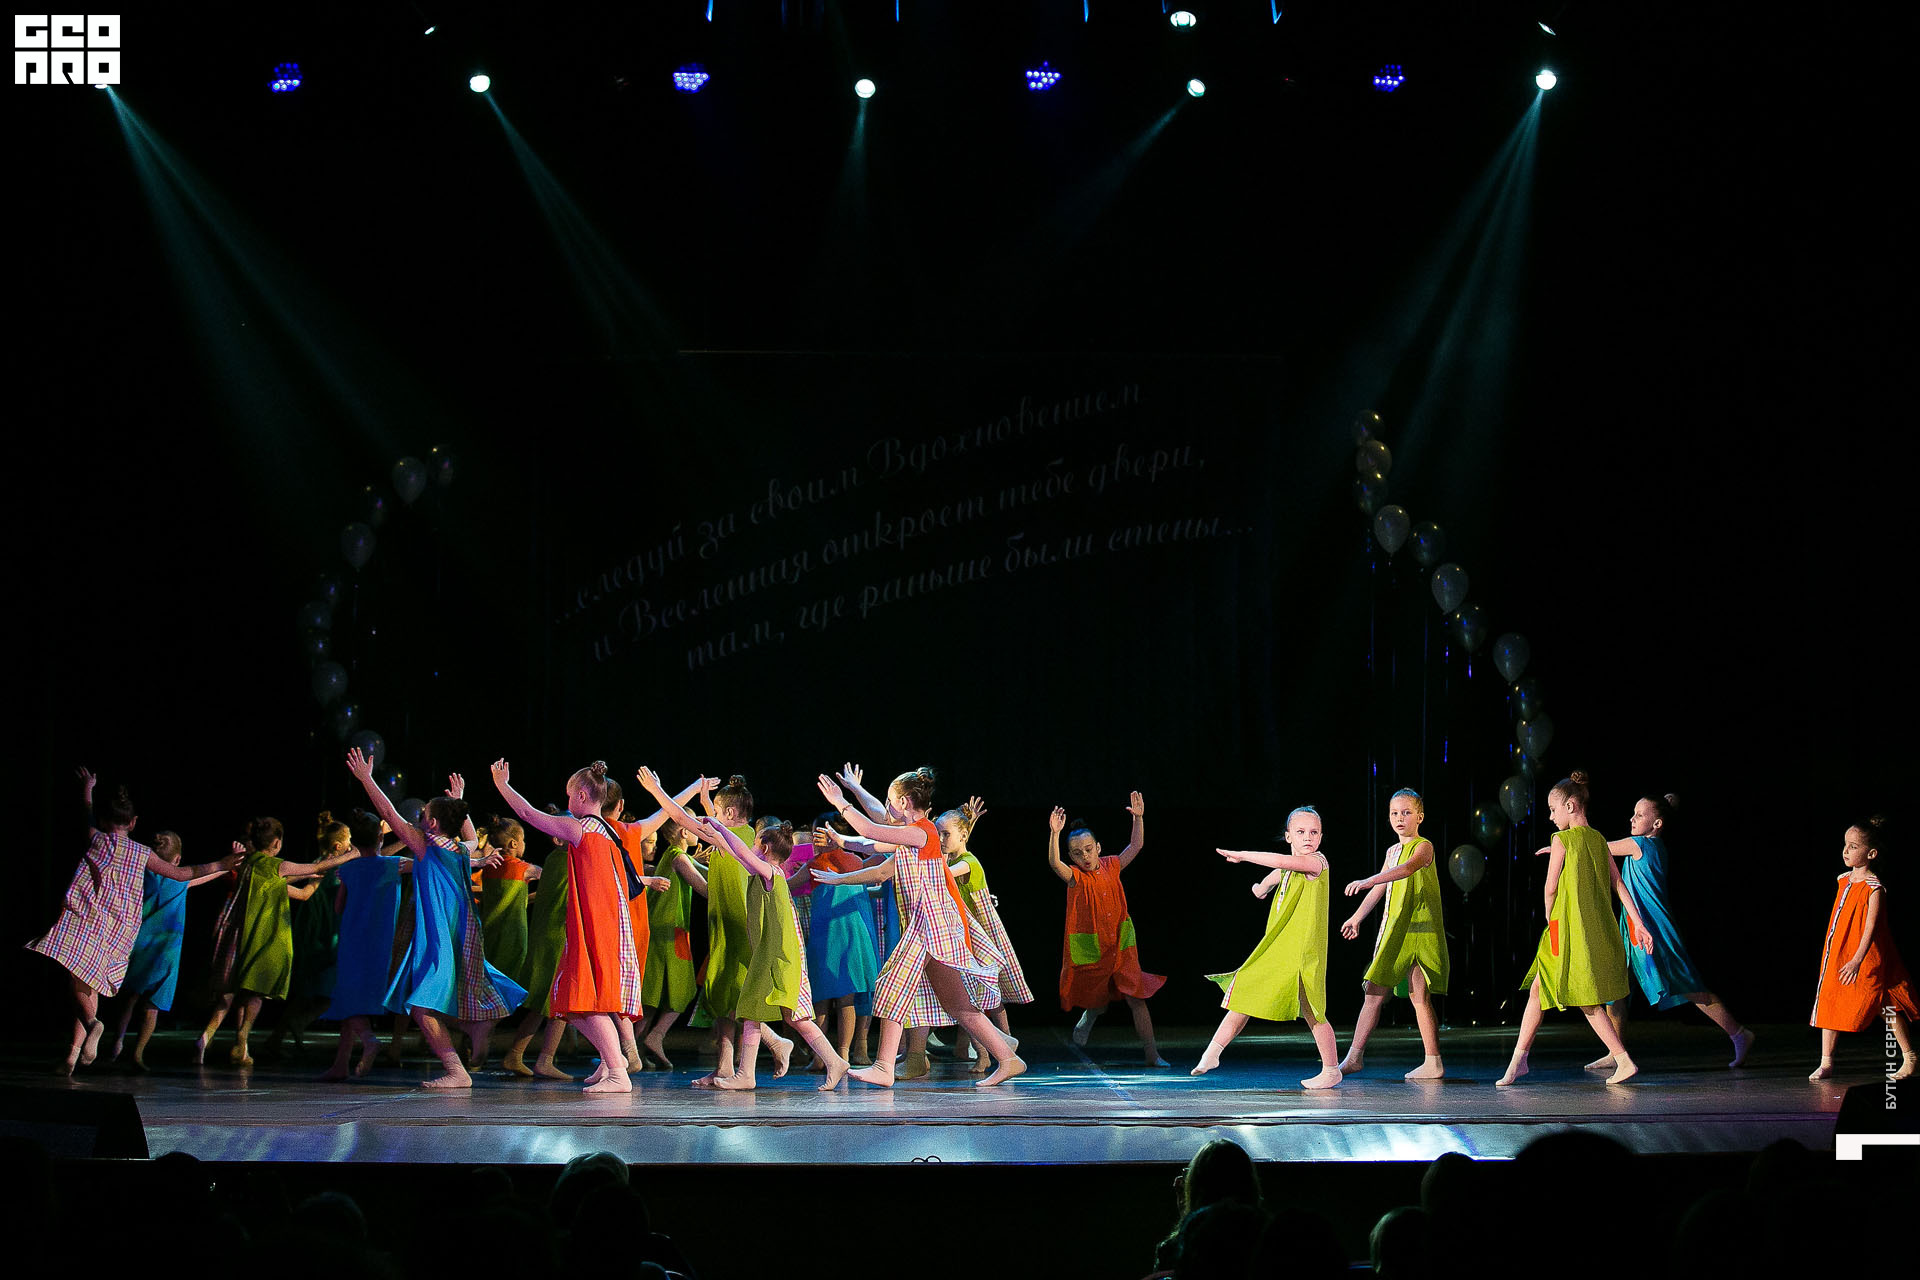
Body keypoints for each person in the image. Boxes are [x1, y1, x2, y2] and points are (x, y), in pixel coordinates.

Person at [811, 766, 1025, 1087]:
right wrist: (842, 847)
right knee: (957, 1004)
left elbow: (871, 829)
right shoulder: (910, 836)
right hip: (929, 924)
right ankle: (1008, 1059)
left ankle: (883, 1066)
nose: (886, 806)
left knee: (890, 985)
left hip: (930, 923)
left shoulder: (923, 832)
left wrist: (841, 801)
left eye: (890, 800)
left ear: (904, 802)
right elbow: (873, 848)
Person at [492, 758, 667, 1093]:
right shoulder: (609, 833)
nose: (568, 801)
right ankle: (612, 1063)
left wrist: (502, 785)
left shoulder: (581, 828)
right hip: (607, 923)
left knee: (585, 999)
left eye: (570, 794)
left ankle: (617, 1071)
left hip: (597, 925)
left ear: (583, 796)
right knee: (573, 1001)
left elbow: (528, 814)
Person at [350, 756, 523, 1089]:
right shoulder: (458, 849)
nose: (418, 819)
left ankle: (457, 1070)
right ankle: (472, 1026)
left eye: (423, 814)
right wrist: (460, 803)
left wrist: (366, 779)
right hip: (461, 934)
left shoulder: (426, 846)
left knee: (420, 1007)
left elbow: (389, 814)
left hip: (441, 937)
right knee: (436, 1000)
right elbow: (472, 839)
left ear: (431, 824)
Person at [1497, 771, 1653, 1086]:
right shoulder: (1598, 840)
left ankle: (1623, 1059)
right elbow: (1618, 885)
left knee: (1584, 998)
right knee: (1540, 989)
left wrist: (1548, 916)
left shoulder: (1562, 840)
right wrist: (1638, 923)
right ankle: (1518, 1061)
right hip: (1591, 930)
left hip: (1564, 929)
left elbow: (1550, 888)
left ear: (1570, 806)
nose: (1551, 816)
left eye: (1553, 809)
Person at [1579, 793, 1753, 1070]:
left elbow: (1598, 847)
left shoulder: (1641, 845)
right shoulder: (1648, 845)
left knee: (1688, 985)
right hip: (1632, 927)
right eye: (1633, 813)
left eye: (1640, 815)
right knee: (1616, 987)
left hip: (1655, 929)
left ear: (1657, 823)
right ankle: (1616, 1051)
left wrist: (1568, 836)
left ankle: (1739, 1033)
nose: (1632, 818)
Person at [685, 815, 849, 1089]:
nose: (750, 848)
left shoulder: (772, 873)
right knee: (752, 1008)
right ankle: (746, 1074)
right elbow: (736, 852)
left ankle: (833, 1060)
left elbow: (740, 852)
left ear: (764, 847)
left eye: (754, 844)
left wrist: (721, 827)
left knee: (794, 1015)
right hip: (768, 953)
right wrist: (718, 834)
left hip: (781, 956)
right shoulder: (762, 873)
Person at [1194, 805, 1341, 1087]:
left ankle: (1332, 1069)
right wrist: (1260, 889)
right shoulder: (1287, 870)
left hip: (1302, 951)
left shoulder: (1317, 863)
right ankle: (1212, 1053)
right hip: (1280, 949)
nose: (1308, 837)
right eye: (1301, 832)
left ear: (1321, 837)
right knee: (1246, 992)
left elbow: (1280, 862)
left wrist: (1243, 855)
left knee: (1312, 1008)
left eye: (1314, 832)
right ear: (1288, 836)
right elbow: (1270, 880)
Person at [199, 814, 358, 1066]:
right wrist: (352, 855)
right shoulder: (278, 866)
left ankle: (214, 1038)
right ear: (276, 843)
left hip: (241, 935)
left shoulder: (249, 864)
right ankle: (243, 1038)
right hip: (266, 936)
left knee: (234, 992)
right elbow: (308, 876)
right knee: (257, 992)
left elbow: (284, 881)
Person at [1336, 789, 1448, 1080]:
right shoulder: (1391, 851)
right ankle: (1354, 1058)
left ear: (1419, 817)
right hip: (1396, 931)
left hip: (1419, 932)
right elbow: (1380, 889)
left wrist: (1369, 878)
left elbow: (1407, 869)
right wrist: (1357, 917)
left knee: (1418, 994)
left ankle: (1433, 1061)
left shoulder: (1424, 846)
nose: (1400, 818)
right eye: (1394, 813)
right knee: (1373, 991)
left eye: (1406, 812)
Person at [1049, 794, 1168, 1066]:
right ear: (1071, 856)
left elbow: (1136, 845)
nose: (1085, 856)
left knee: (1136, 997)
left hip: (1121, 943)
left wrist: (1138, 818)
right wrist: (1055, 834)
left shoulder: (1112, 865)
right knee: (1098, 996)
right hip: (1094, 947)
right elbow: (1055, 863)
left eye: (1089, 849)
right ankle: (1090, 1015)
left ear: (1098, 848)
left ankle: (1152, 1054)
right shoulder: (1075, 877)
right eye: (1077, 853)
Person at [107, 830, 233, 1069]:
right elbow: (205, 875)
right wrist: (227, 865)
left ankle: (118, 1042)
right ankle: (138, 1052)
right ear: (177, 860)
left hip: (138, 946)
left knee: (130, 998)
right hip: (166, 953)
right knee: (152, 1005)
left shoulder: (141, 877)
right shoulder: (180, 881)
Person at [1809, 815, 1917, 1080]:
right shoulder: (1844, 879)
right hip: (1839, 951)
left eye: (1853, 846)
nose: (1846, 851)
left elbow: (1871, 928)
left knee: (1883, 1000)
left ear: (1871, 853)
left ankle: (1909, 1056)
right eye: (1845, 844)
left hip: (1866, 954)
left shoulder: (1874, 887)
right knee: (1830, 998)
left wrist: (1857, 959)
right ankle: (1826, 1061)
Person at [939, 798, 1030, 1071]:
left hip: (982, 936)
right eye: (938, 834)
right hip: (964, 935)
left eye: (945, 834)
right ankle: (983, 1051)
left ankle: (1002, 1046)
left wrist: (934, 851)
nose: (940, 840)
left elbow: (944, 875)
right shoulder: (958, 856)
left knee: (989, 996)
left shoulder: (968, 863)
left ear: (962, 835)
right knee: (972, 995)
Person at [319, 808, 407, 1081]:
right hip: (380, 944)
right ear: (381, 837)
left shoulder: (348, 868)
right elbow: (429, 863)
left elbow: (338, 907)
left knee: (347, 998)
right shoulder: (395, 865)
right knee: (354, 998)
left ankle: (369, 1039)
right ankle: (340, 1064)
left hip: (353, 941)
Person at [637, 818, 709, 1070]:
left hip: (668, 930)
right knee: (678, 989)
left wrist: (700, 862)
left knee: (657, 994)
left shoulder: (676, 856)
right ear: (683, 832)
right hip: (667, 932)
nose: (699, 831)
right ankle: (651, 1038)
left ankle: (637, 1048)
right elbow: (705, 888)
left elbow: (696, 868)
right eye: (694, 826)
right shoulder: (678, 857)